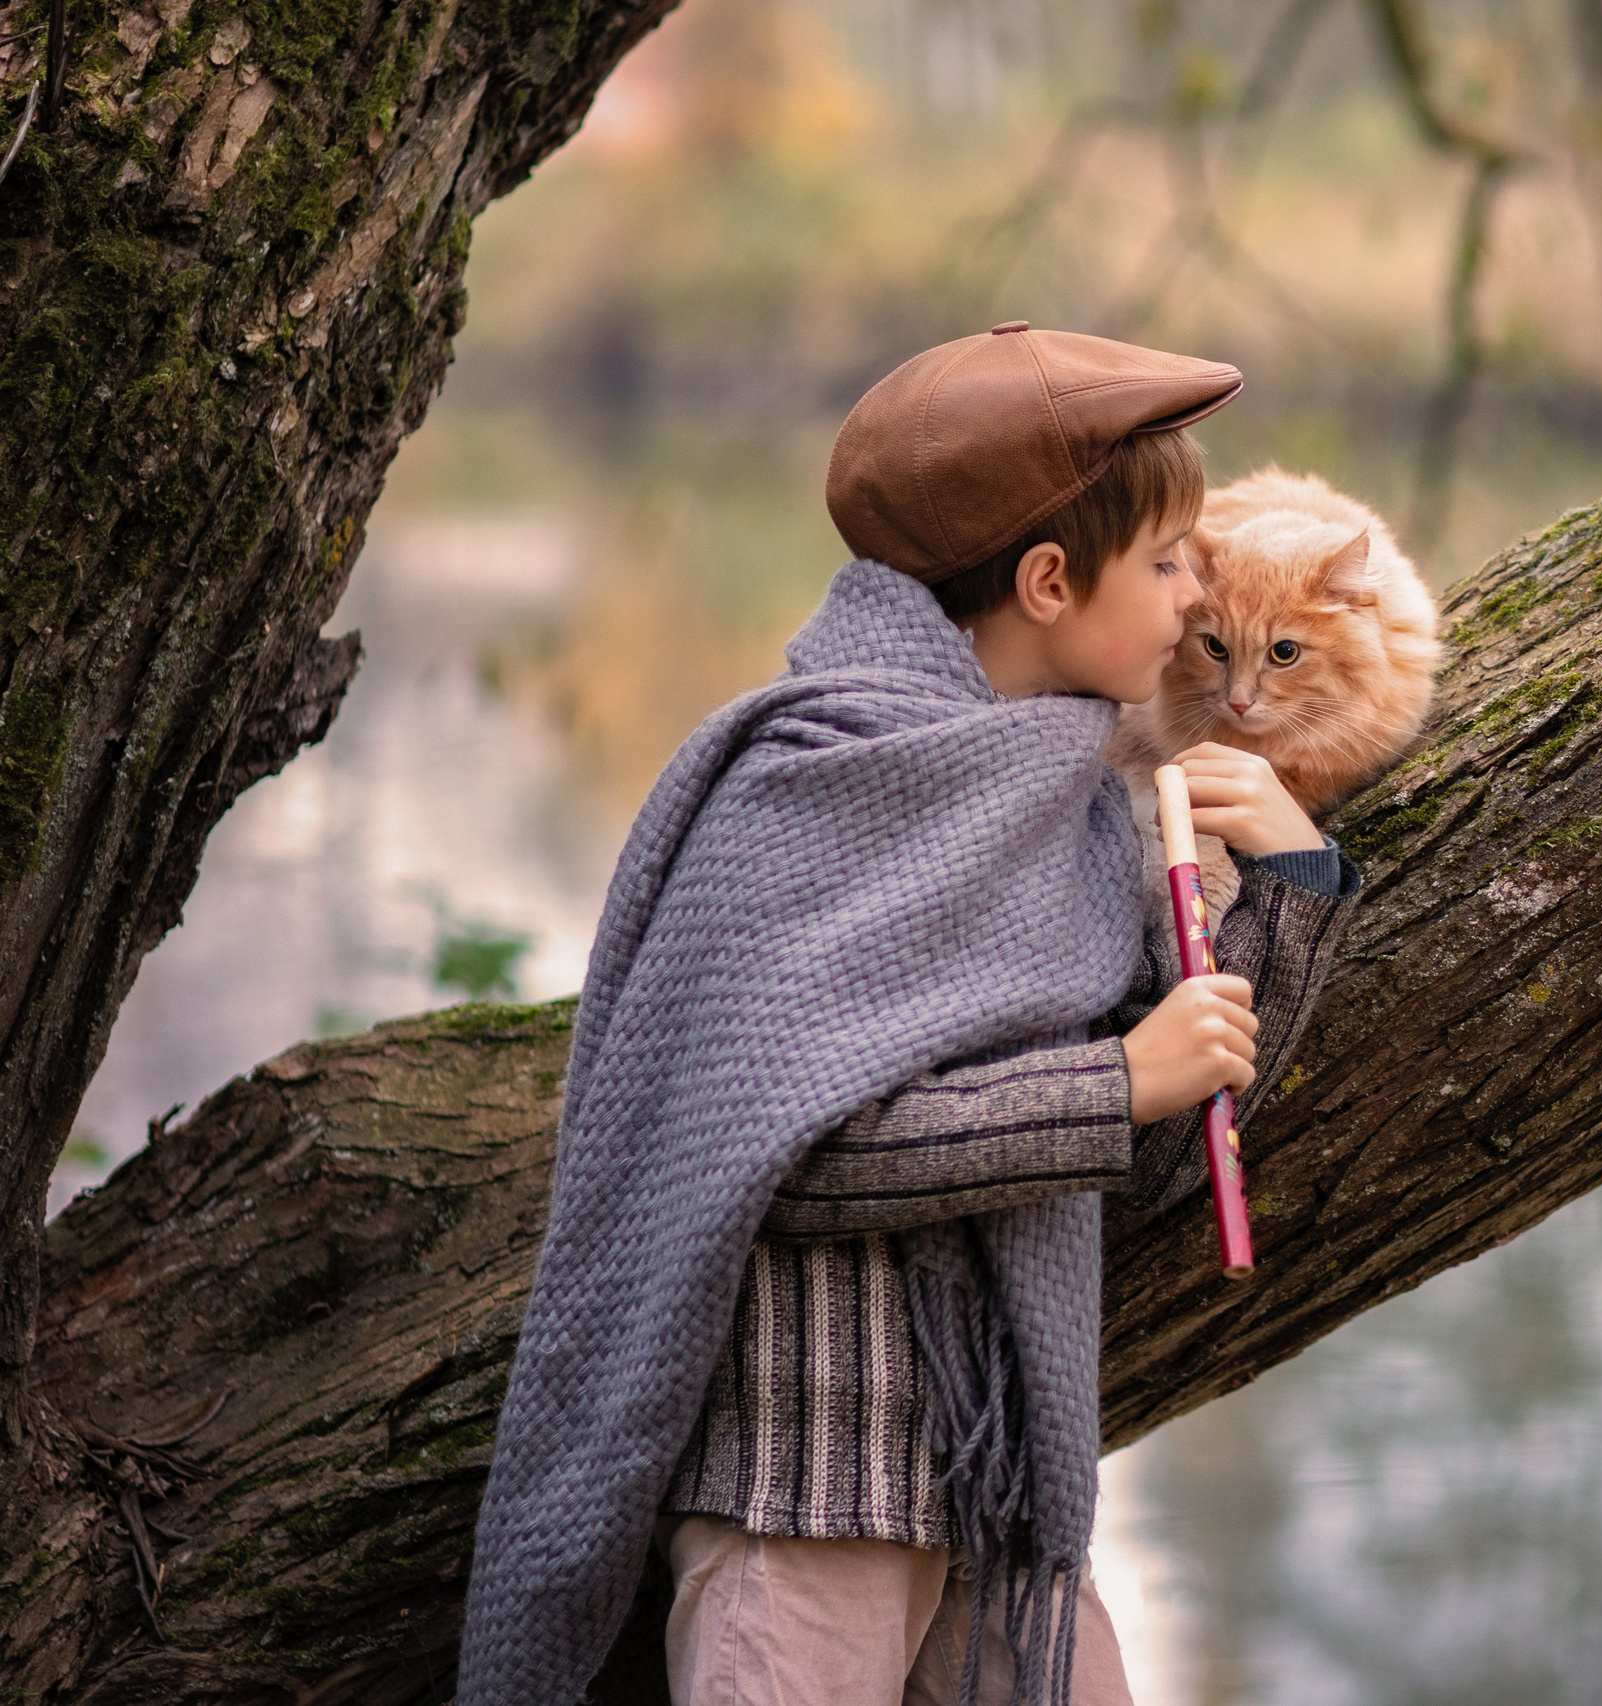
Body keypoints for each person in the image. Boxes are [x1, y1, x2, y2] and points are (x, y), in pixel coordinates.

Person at [458, 324, 1364, 1706]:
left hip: (996, 1505)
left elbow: (1159, 1156)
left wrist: (1288, 892)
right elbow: (795, 1157)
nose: (1197, 599)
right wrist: (1115, 1080)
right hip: (800, 1506)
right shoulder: (804, 781)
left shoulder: (1073, 814)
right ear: (1051, 581)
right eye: (1171, 560)